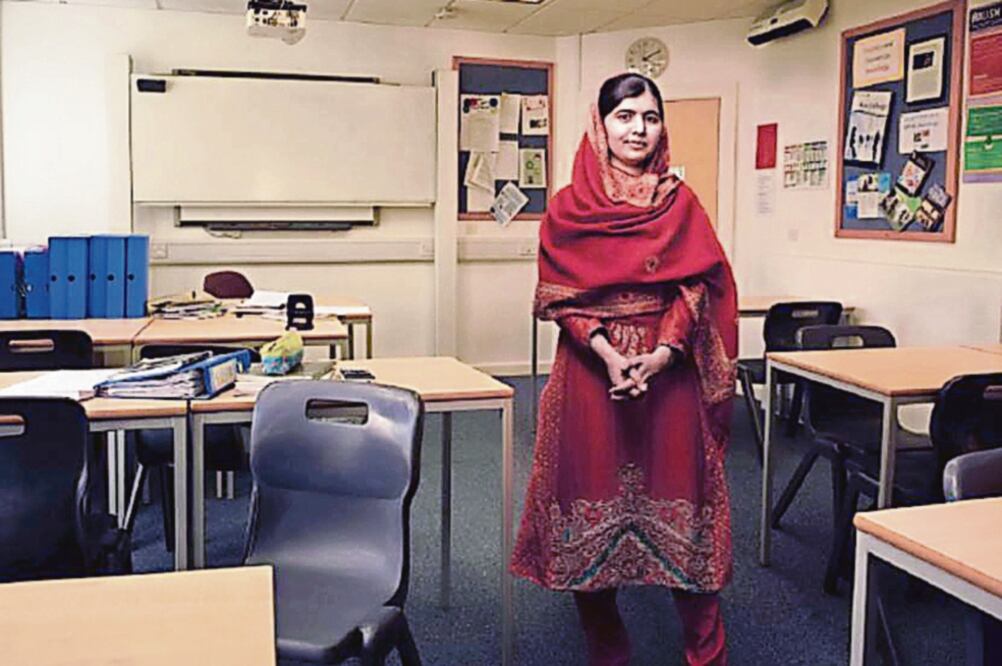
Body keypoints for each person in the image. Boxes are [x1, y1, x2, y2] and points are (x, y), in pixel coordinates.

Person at [511, 73, 738, 666]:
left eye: (650, 117)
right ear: (600, 124)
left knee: (686, 514)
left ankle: (705, 655)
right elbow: (560, 298)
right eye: (625, 116)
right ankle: (608, 651)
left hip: (671, 380)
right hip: (590, 378)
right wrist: (610, 353)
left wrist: (663, 353)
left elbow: (697, 286)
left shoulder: (679, 202)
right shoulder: (568, 210)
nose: (638, 129)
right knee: (589, 506)